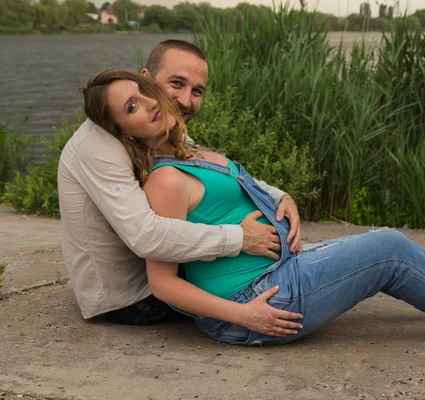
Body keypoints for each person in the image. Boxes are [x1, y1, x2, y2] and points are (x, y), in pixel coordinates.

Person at [79, 68, 425, 345]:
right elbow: (162, 284)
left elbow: (245, 186)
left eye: (142, 94)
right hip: (258, 304)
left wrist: (283, 199)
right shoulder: (163, 179)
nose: (149, 108)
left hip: (275, 277)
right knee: (391, 249)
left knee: (380, 251)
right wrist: (244, 315)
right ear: (124, 130)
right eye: (131, 109)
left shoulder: (188, 152)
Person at [58, 40, 302, 325]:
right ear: (145, 79)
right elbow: (145, 236)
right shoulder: (98, 148)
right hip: (132, 297)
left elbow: (215, 170)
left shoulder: (157, 123)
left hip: (167, 271)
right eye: (176, 83)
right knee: (285, 286)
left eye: (196, 91)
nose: (186, 101)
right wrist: (240, 238)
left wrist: (279, 196)